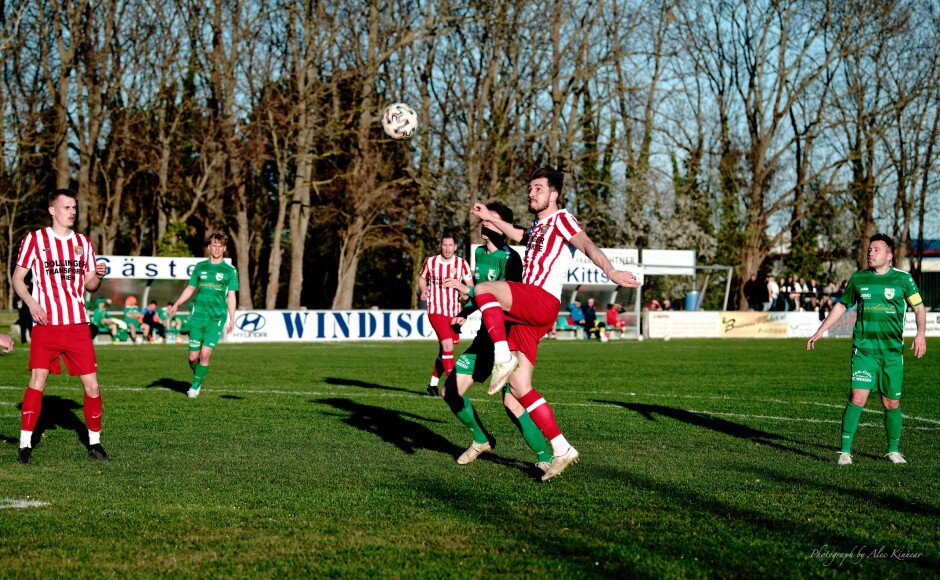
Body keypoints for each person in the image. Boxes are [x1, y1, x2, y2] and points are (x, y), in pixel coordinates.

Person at [445, 167, 641, 481]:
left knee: (483, 289)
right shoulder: (538, 227)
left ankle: (502, 357)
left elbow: (588, 246)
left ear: (554, 194)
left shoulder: (563, 219)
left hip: (541, 299)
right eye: (530, 188)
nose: (531, 193)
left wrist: (612, 272)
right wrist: (491, 218)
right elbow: (520, 233)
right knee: (518, 390)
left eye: (538, 188)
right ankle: (561, 448)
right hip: (528, 315)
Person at [442, 201, 553, 472]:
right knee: (450, 392)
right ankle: (482, 440)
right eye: (485, 220)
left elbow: (507, 300)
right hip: (485, 338)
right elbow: (482, 293)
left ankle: (545, 456)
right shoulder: (479, 253)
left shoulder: (510, 259)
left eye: (492, 221)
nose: (486, 224)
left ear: (503, 228)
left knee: (512, 402)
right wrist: (465, 312)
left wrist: (468, 294)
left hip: (508, 337)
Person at [806, 233, 927, 466]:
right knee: (857, 397)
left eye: (876, 250)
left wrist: (920, 333)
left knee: (891, 403)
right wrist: (820, 331)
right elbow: (842, 305)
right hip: (864, 350)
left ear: (889, 255)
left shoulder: (903, 279)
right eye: (869, 250)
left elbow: (919, 308)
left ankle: (893, 450)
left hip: (892, 353)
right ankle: (844, 451)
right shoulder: (859, 278)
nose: (870, 253)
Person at [12, 188, 111, 464]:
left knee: (92, 386)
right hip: (46, 325)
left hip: (77, 325)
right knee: (37, 382)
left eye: (74, 208)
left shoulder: (83, 243)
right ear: (52, 210)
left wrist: (98, 276)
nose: (72, 212)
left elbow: (90, 284)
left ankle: (94, 443)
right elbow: (17, 279)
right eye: (67, 207)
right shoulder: (35, 239)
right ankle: (24, 445)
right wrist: (31, 303)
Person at [167, 232, 238, 398]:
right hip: (198, 317)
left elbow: (232, 296)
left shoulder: (230, 271)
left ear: (224, 248)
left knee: (205, 354)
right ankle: (198, 374)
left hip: (216, 318)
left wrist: (232, 319)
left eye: (220, 246)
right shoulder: (200, 267)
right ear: (209, 247)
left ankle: (195, 386)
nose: (217, 249)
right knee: (193, 358)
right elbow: (191, 288)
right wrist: (177, 303)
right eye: (214, 245)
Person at [418, 233, 472, 397]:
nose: (447, 248)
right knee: (448, 345)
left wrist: (465, 294)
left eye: (450, 245)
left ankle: (432, 385)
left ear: (455, 247)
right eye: (444, 245)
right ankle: (453, 387)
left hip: (454, 312)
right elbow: (422, 278)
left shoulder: (462, 263)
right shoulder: (431, 261)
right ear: (440, 246)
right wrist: (424, 289)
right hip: (435, 309)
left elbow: (470, 285)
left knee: (445, 350)